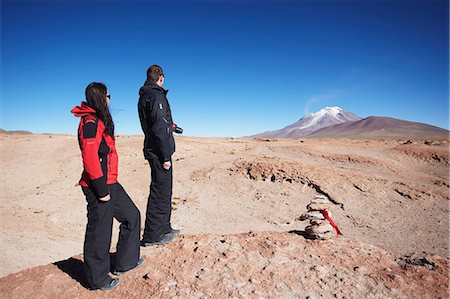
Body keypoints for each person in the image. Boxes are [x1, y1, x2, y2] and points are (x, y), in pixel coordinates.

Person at [71, 82, 143, 290]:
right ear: (101, 97)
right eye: (108, 95)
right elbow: (90, 157)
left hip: (111, 181)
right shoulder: (90, 121)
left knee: (132, 216)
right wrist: (101, 190)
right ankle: (97, 279)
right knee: (100, 232)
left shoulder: (100, 119)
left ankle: (126, 262)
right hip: (98, 185)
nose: (110, 99)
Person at [138, 65, 180, 247]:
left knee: (164, 190)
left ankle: (164, 228)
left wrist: (170, 124)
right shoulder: (156, 96)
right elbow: (158, 128)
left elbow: (158, 123)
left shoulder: (145, 96)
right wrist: (165, 157)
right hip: (158, 152)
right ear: (160, 78)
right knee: (160, 192)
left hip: (154, 148)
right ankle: (153, 236)